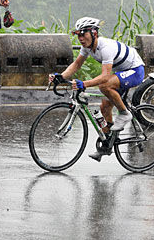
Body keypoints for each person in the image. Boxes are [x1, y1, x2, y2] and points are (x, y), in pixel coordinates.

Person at [50, 17, 145, 161]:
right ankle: (106, 146)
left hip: (135, 70)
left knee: (104, 85)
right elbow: (76, 65)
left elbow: (106, 76)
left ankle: (124, 113)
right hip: (121, 73)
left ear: (94, 33)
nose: (80, 38)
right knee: (105, 107)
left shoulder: (105, 47)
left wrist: (85, 83)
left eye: (83, 34)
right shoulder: (87, 47)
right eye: (78, 35)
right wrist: (61, 77)